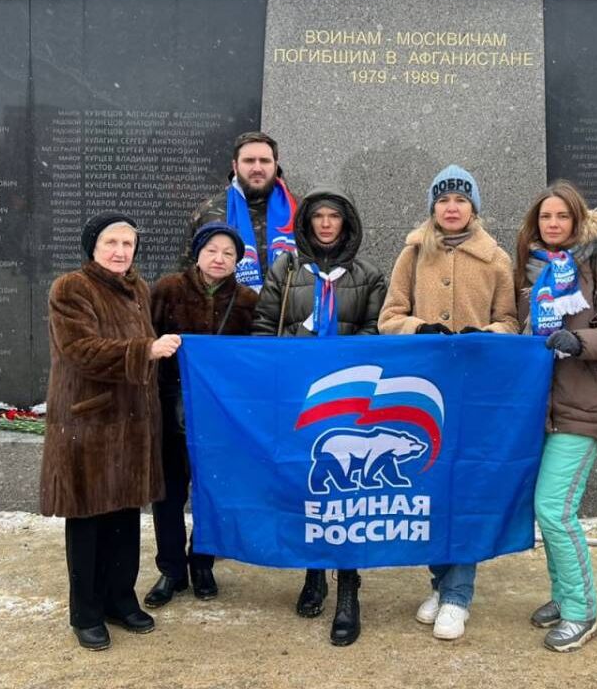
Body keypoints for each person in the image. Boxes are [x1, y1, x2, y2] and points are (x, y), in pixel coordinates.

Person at [377, 164, 518, 641]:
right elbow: (388, 317)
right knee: (429, 485)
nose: (452, 208)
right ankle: (440, 581)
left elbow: (511, 322)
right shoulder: (412, 254)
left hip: (475, 390)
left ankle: (459, 595)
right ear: (433, 208)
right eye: (443, 200)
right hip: (423, 389)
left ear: (474, 207)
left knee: (465, 487)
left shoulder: (496, 258)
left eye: (460, 200)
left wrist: (488, 334)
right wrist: (420, 328)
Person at [39, 212, 182, 651]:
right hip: (89, 422)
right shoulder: (72, 288)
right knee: (87, 519)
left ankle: (121, 599)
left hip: (133, 423)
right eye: (111, 243)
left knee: (123, 515)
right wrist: (147, 350)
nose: (121, 252)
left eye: (127, 244)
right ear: (93, 248)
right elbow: (81, 351)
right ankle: (86, 612)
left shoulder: (137, 288)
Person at [252, 187, 388, 646]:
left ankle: (349, 588)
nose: (326, 224)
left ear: (347, 224)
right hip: (296, 396)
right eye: (319, 217)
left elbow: (377, 334)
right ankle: (313, 571)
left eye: (335, 217)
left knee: (349, 492)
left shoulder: (369, 275)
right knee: (308, 482)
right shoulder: (285, 271)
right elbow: (263, 327)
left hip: (349, 399)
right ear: (306, 222)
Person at [514, 180, 597, 653]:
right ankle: (563, 595)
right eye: (545, 217)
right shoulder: (524, 272)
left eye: (562, 216)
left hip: (581, 407)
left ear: (578, 221)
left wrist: (580, 342)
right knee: (547, 510)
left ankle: (582, 611)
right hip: (535, 410)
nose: (553, 224)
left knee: (555, 509)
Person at [143, 222, 258, 610]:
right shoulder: (167, 290)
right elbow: (146, 338)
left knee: (211, 491)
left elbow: (254, 357)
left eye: (228, 253)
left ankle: (203, 562)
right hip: (169, 405)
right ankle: (171, 568)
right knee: (169, 492)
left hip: (220, 413)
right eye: (212, 250)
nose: (219, 258)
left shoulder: (246, 300)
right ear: (197, 253)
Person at [187, 131, 297, 292]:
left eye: (265, 161)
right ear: (235, 166)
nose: (257, 168)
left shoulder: (300, 209)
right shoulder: (209, 212)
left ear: (275, 164)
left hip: (289, 314)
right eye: (249, 161)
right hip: (227, 313)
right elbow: (188, 274)